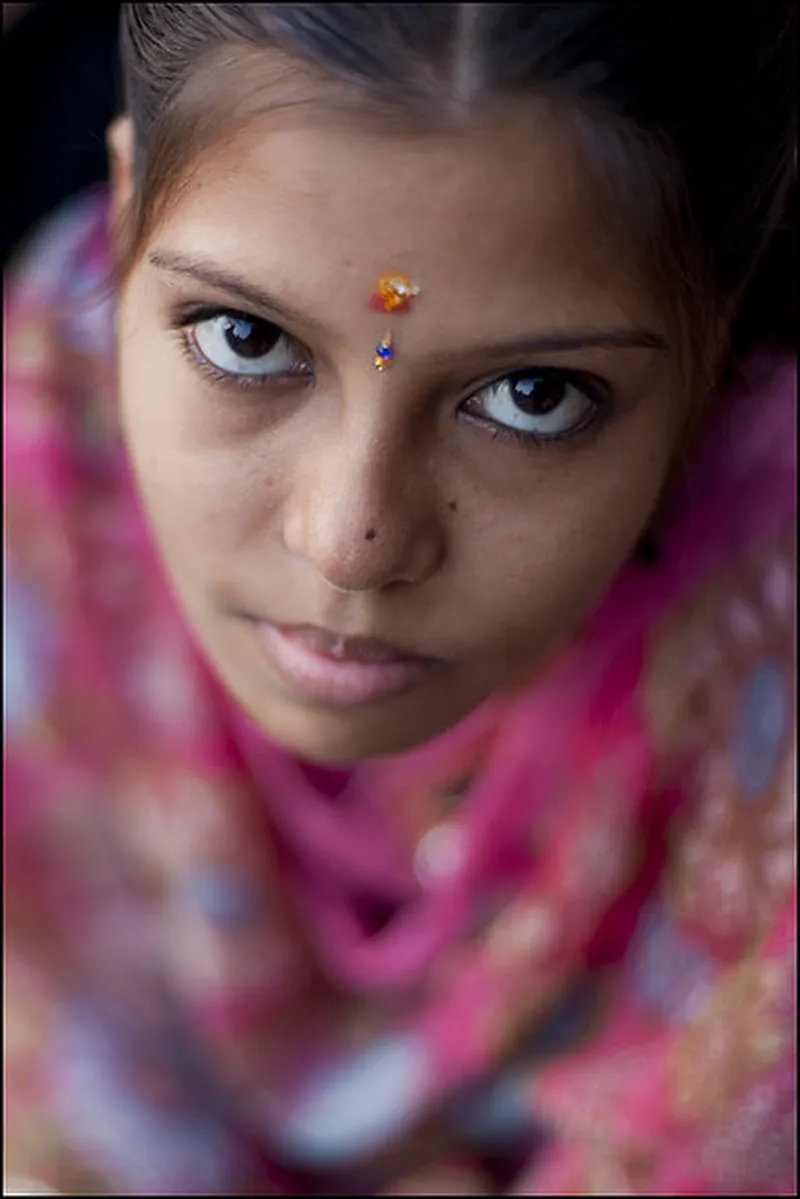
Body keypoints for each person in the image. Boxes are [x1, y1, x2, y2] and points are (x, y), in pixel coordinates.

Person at [3, 4, 796, 1194]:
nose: (353, 540)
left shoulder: (768, 619)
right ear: (123, 218)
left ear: (718, 342)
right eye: (243, 336)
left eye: (531, 395)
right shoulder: (54, 418)